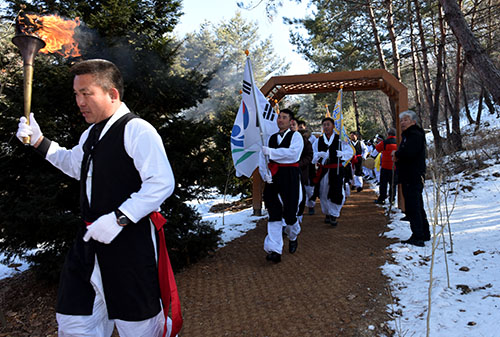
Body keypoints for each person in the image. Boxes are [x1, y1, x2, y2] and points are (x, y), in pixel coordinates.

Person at [16, 59, 177, 336]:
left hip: (129, 245)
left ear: (112, 93)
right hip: (88, 244)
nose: (79, 102)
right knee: (74, 321)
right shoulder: (90, 133)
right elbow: (74, 164)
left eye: (86, 93)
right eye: (76, 94)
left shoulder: (137, 129)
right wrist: (39, 142)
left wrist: (119, 218)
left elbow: (162, 182)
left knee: (137, 326)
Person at [259, 109, 304, 263]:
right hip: (273, 177)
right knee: (273, 212)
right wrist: (264, 173)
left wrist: (271, 152)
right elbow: (263, 157)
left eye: (284, 117)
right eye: (279, 117)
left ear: (291, 121)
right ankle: (274, 249)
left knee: (291, 214)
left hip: (290, 176)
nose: (280, 120)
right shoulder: (271, 138)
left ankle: (293, 236)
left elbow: (293, 154)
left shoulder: (296, 136)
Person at [392, 110, 431, 247]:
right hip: (411, 175)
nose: (402, 122)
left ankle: (418, 236)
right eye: (401, 120)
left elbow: (409, 153)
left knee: (413, 206)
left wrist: (397, 153)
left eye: (406, 120)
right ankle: (424, 233)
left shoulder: (414, 135)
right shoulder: (410, 135)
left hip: (412, 175)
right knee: (417, 205)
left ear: (413, 122)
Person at [311, 117, 354, 226]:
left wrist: (342, 154)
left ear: (333, 126)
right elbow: (312, 155)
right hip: (324, 170)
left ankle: (334, 214)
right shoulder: (319, 140)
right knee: (323, 192)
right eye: (324, 125)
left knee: (337, 192)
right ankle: (327, 212)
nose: (326, 127)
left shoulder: (340, 139)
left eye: (328, 124)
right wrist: (319, 155)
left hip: (337, 170)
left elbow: (349, 151)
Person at [291, 118, 314, 222]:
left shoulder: (306, 141)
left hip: (301, 170)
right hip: (285, 172)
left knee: (300, 193)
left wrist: (299, 164)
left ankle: (298, 215)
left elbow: (309, 155)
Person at [297, 119, 318, 214]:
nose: (300, 128)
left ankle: (311, 205)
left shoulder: (312, 138)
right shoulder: (294, 137)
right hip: (297, 165)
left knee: (309, 186)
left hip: (309, 165)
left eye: (302, 126)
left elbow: (313, 152)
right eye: (299, 126)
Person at [375, 128, 398, 204]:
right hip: (394, 167)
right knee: (393, 184)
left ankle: (382, 198)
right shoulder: (398, 142)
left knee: (383, 184)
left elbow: (377, 149)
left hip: (385, 167)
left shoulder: (384, 142)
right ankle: (392, 199)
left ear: (388, 134)